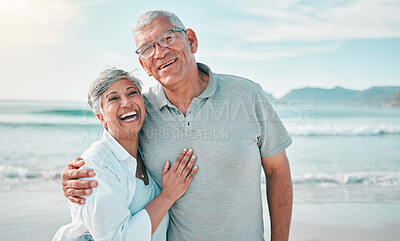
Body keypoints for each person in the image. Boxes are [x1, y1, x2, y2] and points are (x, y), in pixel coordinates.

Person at [61, 10, 293, 241]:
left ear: (191, 40)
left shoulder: (247, 94)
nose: (160, 52)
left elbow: (277, 170)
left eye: (168, 38)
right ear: (144, 64)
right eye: (147, 48)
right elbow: (114, 146)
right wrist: (76, 177)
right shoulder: (141, 108)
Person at [53, 68, 198, 241]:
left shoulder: (147, 151)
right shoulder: (95, 166)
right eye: (113, 98)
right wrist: (167, 196)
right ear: (101, 117)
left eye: (132, 93)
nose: (127, 103)